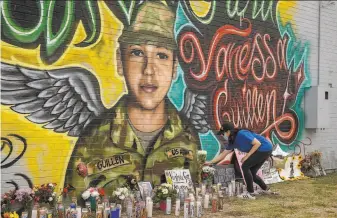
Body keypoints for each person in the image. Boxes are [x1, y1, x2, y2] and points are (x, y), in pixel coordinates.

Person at [65, 1, 199, 203]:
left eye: (162, 55)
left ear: (173, 69)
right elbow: (72, 204)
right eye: (137, 53)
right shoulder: (94, 138)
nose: (149, 70)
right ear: (120, 62)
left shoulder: (187, 136)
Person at [206, 121, 274, 199]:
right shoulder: (232, 141)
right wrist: (210, 162)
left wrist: (247, 156)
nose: (222, 135)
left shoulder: (242, 134)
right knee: (252, 172)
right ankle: (266, 189)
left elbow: (257, 143)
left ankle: (250, 193)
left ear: (228, 131)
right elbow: (223, 154)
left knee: (245, 166)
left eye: (223, 133)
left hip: (264, 148)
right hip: (265, 149)